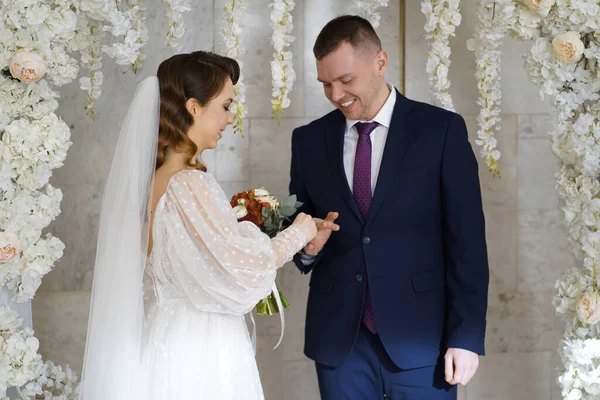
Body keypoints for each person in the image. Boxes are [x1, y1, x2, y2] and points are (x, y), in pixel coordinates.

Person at [79, 51, 321, 400]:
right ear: (193, 107)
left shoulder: (153, 182)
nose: (229, 117)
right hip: (203, 344)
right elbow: (245, 269)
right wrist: (300, 232)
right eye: (224, 106)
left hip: (164, 333)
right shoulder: (189, 183)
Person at [290, 15, 490, 399]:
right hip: (339, 345)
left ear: (380, 62)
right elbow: (301, 223)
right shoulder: (308, 141)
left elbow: (467, 242)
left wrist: (465, 336)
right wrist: (308, 249)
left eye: (346, 80)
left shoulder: (441, 131)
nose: (335, 94)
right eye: (325, 84)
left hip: (423, 342)